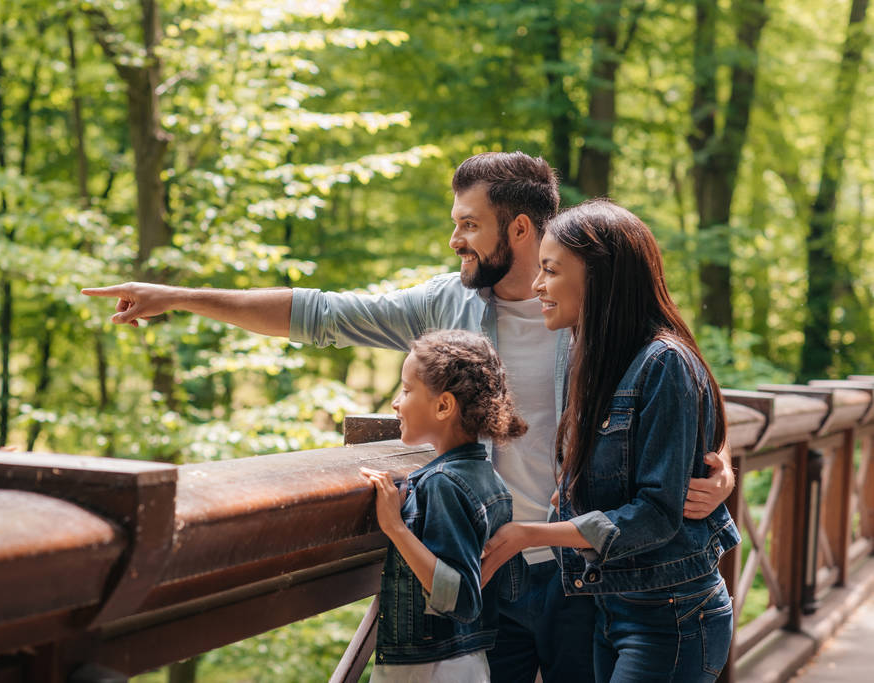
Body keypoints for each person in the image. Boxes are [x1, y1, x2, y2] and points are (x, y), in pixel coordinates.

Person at [81, 151, 735, 681]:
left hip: (589, 575)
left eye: (469, 224)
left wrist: (720, 463)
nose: (454, 239)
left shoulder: (591, 303)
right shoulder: (445, 302)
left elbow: (675, 385)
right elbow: (321, 314)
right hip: (489, 570)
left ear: (518, 229)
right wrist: (181, 297)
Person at [480, 199, 741, 682]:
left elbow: (656, 514)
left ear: (599, 275)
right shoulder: (593, 355)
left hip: (671, 615)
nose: (538, 285)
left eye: (551, 271)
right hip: (611, 606)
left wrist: (531, 533)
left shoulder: (664, 362)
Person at [361, 329, 526, 682]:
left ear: (443, 405)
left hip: (428, 668)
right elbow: (511, 587)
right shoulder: (488, 478)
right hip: (467, 661)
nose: (395, 402)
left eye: (406, 390)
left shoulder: (442, 484)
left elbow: (462, 599)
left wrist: (395, 527)